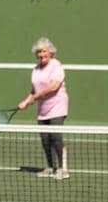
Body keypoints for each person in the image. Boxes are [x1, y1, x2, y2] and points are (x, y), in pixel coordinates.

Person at [17, 37, 69, 180]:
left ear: (50, 52)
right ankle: (50, 167)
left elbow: (54, 86)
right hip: (43, 109)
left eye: (44, 51)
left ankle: (62, 169)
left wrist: (37, 96)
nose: (41, 54)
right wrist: (26, 102)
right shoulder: (36, 70)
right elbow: (34, 91)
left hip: (58, 106)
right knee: (45, 140)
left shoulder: (56, 66)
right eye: (39, 52)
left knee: (56, 137)